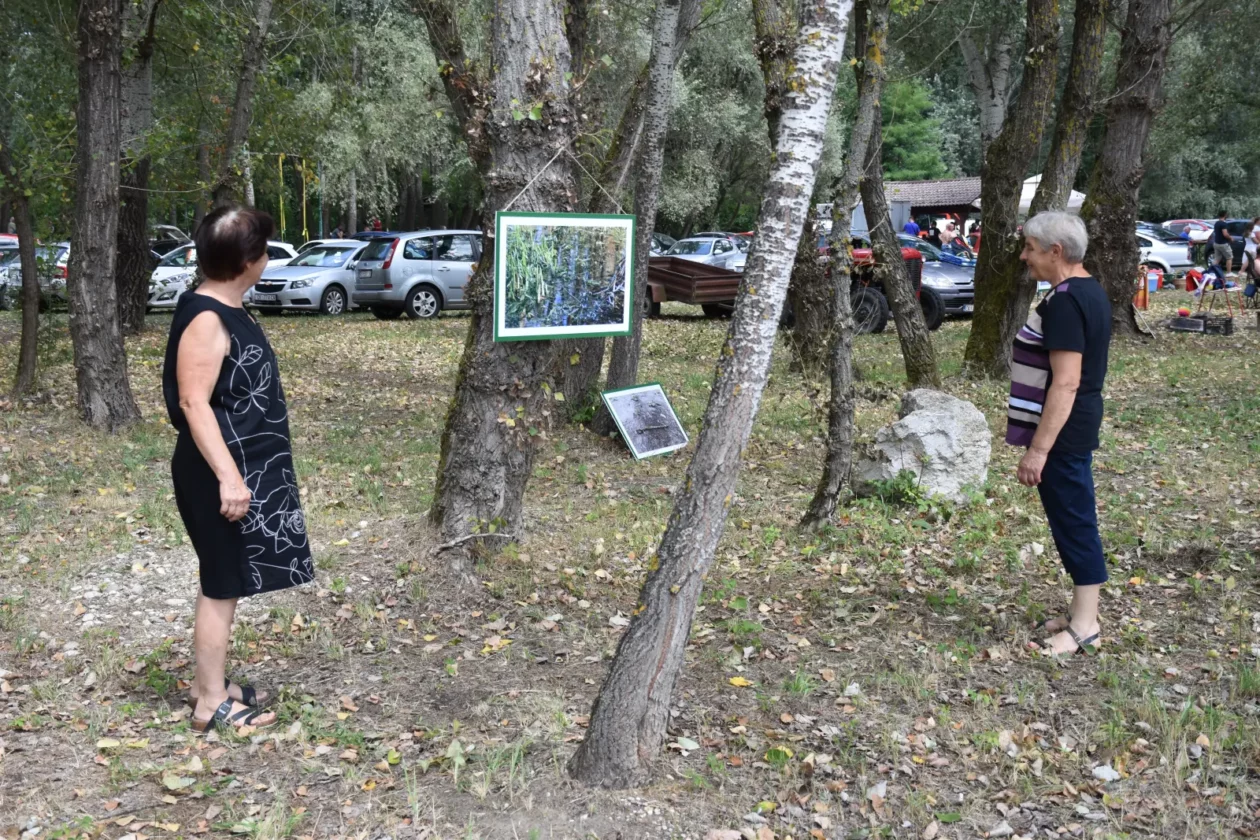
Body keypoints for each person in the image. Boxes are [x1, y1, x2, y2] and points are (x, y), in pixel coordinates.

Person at [162, 206, 314, 733]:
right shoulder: (206, 318)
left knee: (228, 579)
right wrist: (229, 476)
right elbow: (193, 403)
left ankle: (215, 681)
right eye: (265, 250)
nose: (267, 258)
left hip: (237, 464)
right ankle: (209, 702)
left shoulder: (225, 304)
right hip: (214, 471)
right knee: (221, 583)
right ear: (249, 261)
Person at [1007, 211, 1111, 657]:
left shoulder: (1066, 302)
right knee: (1073, 516)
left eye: (1030, 248)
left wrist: (1038, 450)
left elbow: (1066, 382)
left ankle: (1086, 625)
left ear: (1056, 251)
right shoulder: (1088, 291)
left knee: (1074, 520)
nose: (1024, 256)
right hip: (1077, 423)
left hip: (1064, 431)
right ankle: (1079, 613)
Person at [1210, 210, 1233, 274]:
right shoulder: (1223, 224)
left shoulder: (1216, 223)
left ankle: (1211, 271)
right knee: (1229, 257)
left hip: (1216, 243)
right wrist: (1231, 238)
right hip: (1223, 244)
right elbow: (1225, 234)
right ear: (1225, 215)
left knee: (1217, 259)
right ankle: (1229, 273)